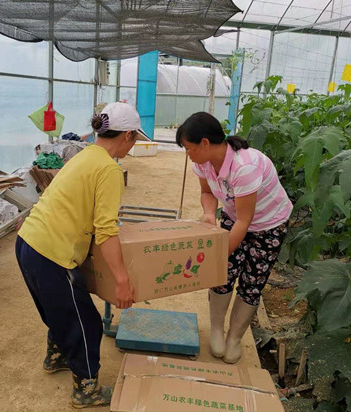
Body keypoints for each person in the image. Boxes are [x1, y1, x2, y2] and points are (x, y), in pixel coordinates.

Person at [16, 102, 150, 408]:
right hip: (52, 252)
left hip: (27, 243)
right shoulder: (109, 169)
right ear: (127, 135)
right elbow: (106, 231)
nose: (134, 144)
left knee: (60, 310)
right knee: (86, 322)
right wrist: (122, 280)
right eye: (136, 139)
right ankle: (85, 389)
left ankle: (57, 355)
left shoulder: (85, 155)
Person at [176, 112, 293, 364]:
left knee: (252, 280)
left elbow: (245, 221)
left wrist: (217, 256)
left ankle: (234, 338)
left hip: (269, 224)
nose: (188, 154)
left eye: (188, 148)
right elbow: (207, 192)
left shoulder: (245, 167)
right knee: (223, 275)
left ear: (205, 143)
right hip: (235, 215)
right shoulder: (203, 163)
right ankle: (217, 330)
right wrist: (209, 214)